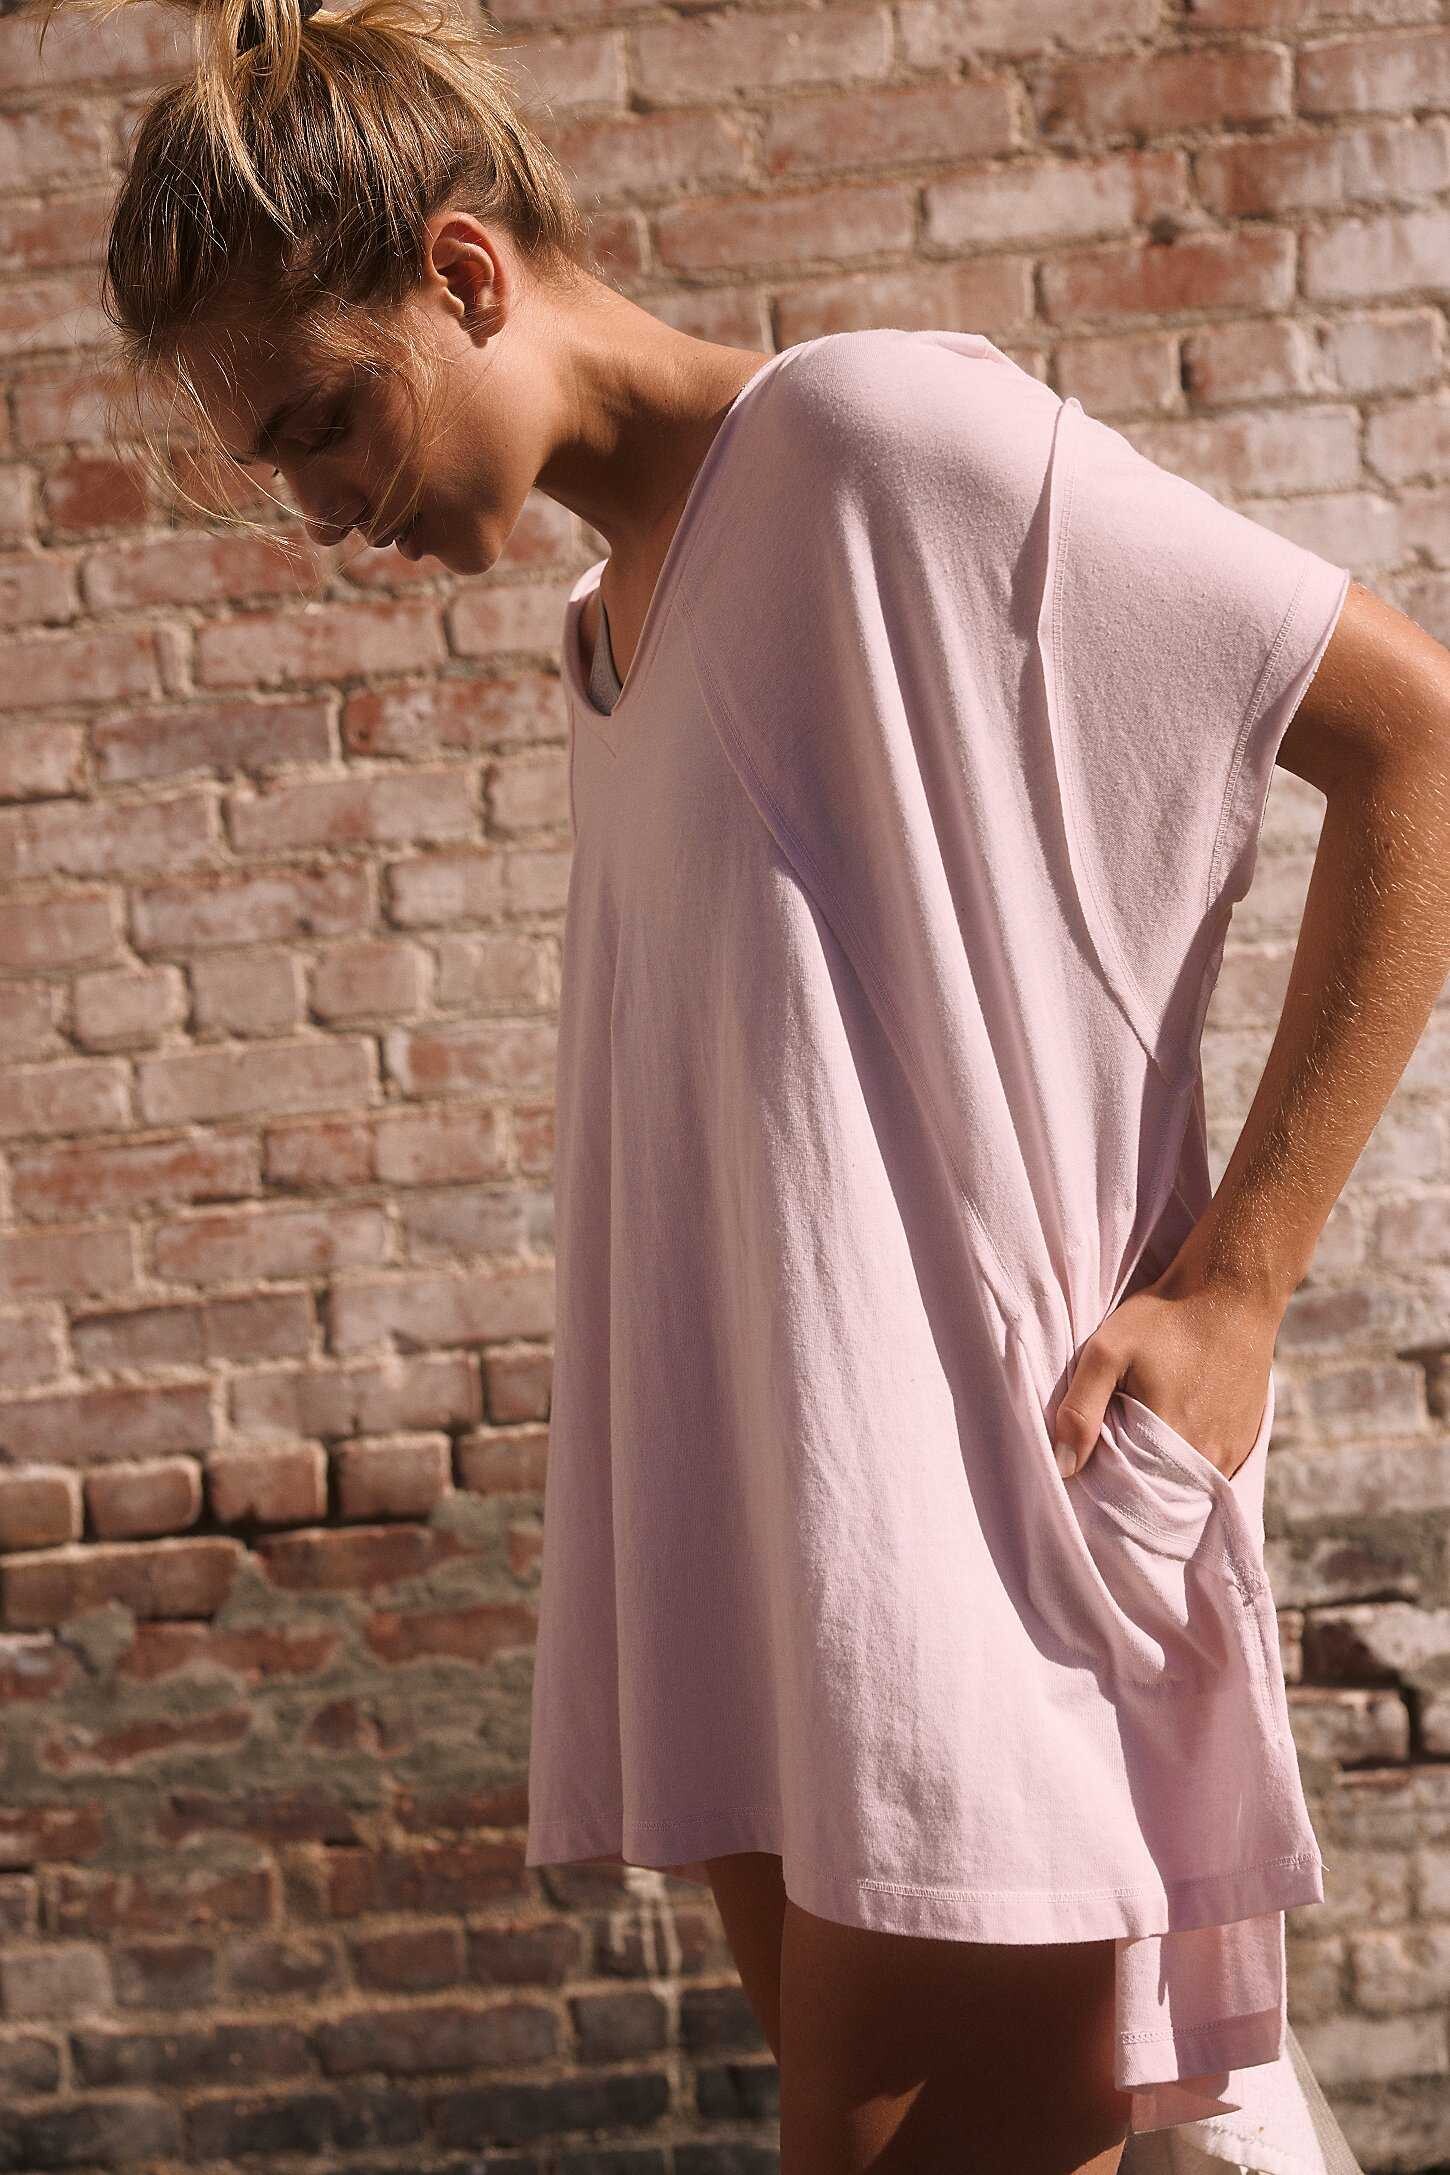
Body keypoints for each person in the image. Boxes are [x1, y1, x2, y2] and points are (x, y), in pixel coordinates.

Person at [38, 0, 1449, 2166]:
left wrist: (1238, 1280)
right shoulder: (604, 639)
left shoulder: (870, 444)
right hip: (787, 1574)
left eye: (321, 420)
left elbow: (1415, 737)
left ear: (465, 272)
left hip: (975, 1546)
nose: (318, 510)